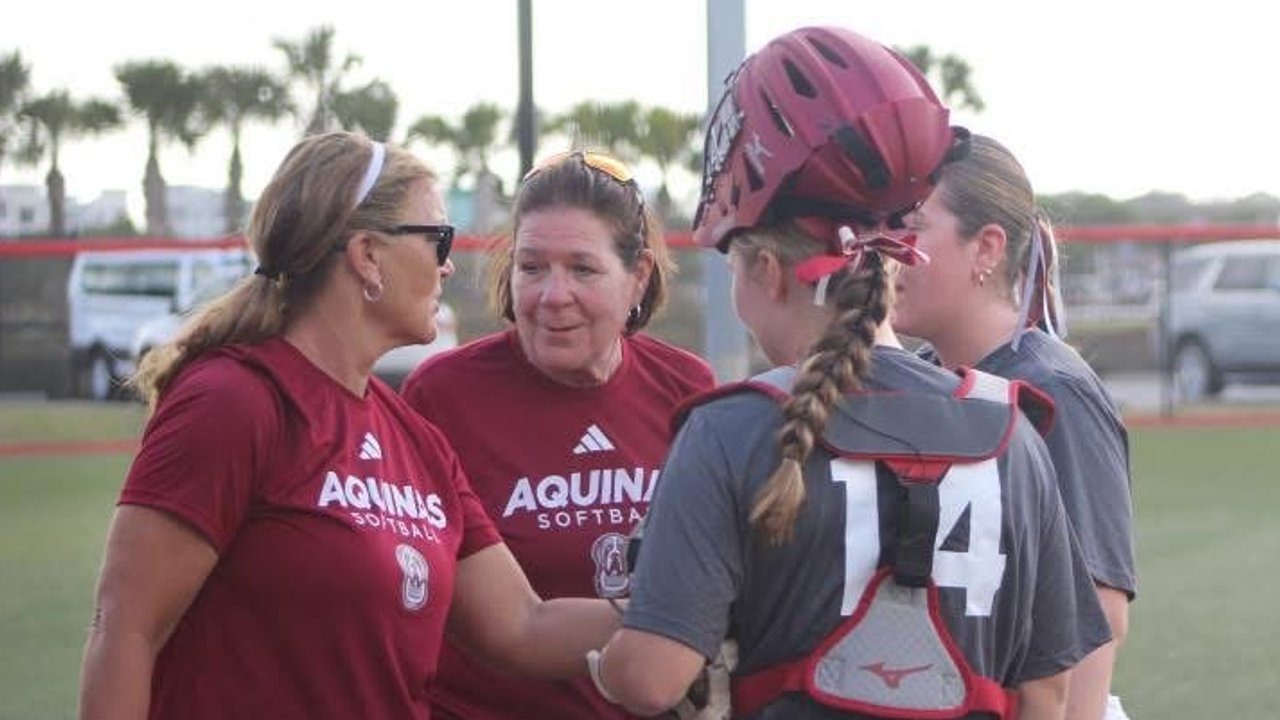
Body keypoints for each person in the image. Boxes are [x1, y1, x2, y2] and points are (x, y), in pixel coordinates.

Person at [589, 26, 1111, 720]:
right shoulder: (1013, 431)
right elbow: (1047, 690)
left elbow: (653, 678)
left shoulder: (729, 430)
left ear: (768, 272)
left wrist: (612, 662)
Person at [77, 131, 621, 720]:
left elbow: (522, 625)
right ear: (366, 255)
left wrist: (688, 614)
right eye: (437, 238)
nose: (448, 264)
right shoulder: (234, 401)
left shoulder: (415, 439)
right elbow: (124, 630)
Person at [400, 150, 717, 720]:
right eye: (532, 267)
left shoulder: (687, 388)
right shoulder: (443, 396)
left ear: (637, 277)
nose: (552, 295)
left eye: (583, 269)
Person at [890, 133, 1137, 720]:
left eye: (912, 224)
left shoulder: (1054, 390)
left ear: (987, 248)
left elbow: (1098, 617)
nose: (889, 248)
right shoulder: (916, 378)